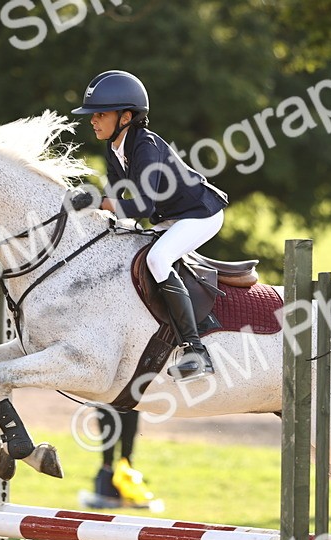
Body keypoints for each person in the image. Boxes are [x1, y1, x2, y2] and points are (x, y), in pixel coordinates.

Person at [71, 70, 229, 381]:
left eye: (100, 114)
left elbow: (141, 205)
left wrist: (98, 202)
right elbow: (117, 201)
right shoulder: (114, 148)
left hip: (200, 213)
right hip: (171, 217)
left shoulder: (146, 146)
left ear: (126, 116)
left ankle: (196, 351)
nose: (93, 120)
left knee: (158, 258)